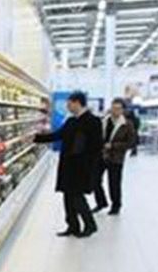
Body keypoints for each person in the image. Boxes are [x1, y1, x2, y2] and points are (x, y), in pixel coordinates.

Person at [30, 91, 103, 237]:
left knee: (77, 196)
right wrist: (35, 138)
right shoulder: (71, 121)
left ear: (77, 103)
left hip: (82, 167)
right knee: (67, 197)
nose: (67, 106)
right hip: (68, 165)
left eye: (69, 104)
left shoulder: (93, 121)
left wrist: (90, 166)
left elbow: (96, 146)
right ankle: (72, 226)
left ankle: (90, 225)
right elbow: (58, 135)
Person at [92, 98, 137, 215]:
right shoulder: (104, 120)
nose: (115, 111)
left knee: (114, 183)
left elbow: (131, 142)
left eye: (118, 108)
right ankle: (101, 202)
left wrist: (113, 146)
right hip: (101, 155)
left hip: (116, 157)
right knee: (94, 180)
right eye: (113, 108)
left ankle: (116, 205)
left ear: (122, 110)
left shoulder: (127, 124)